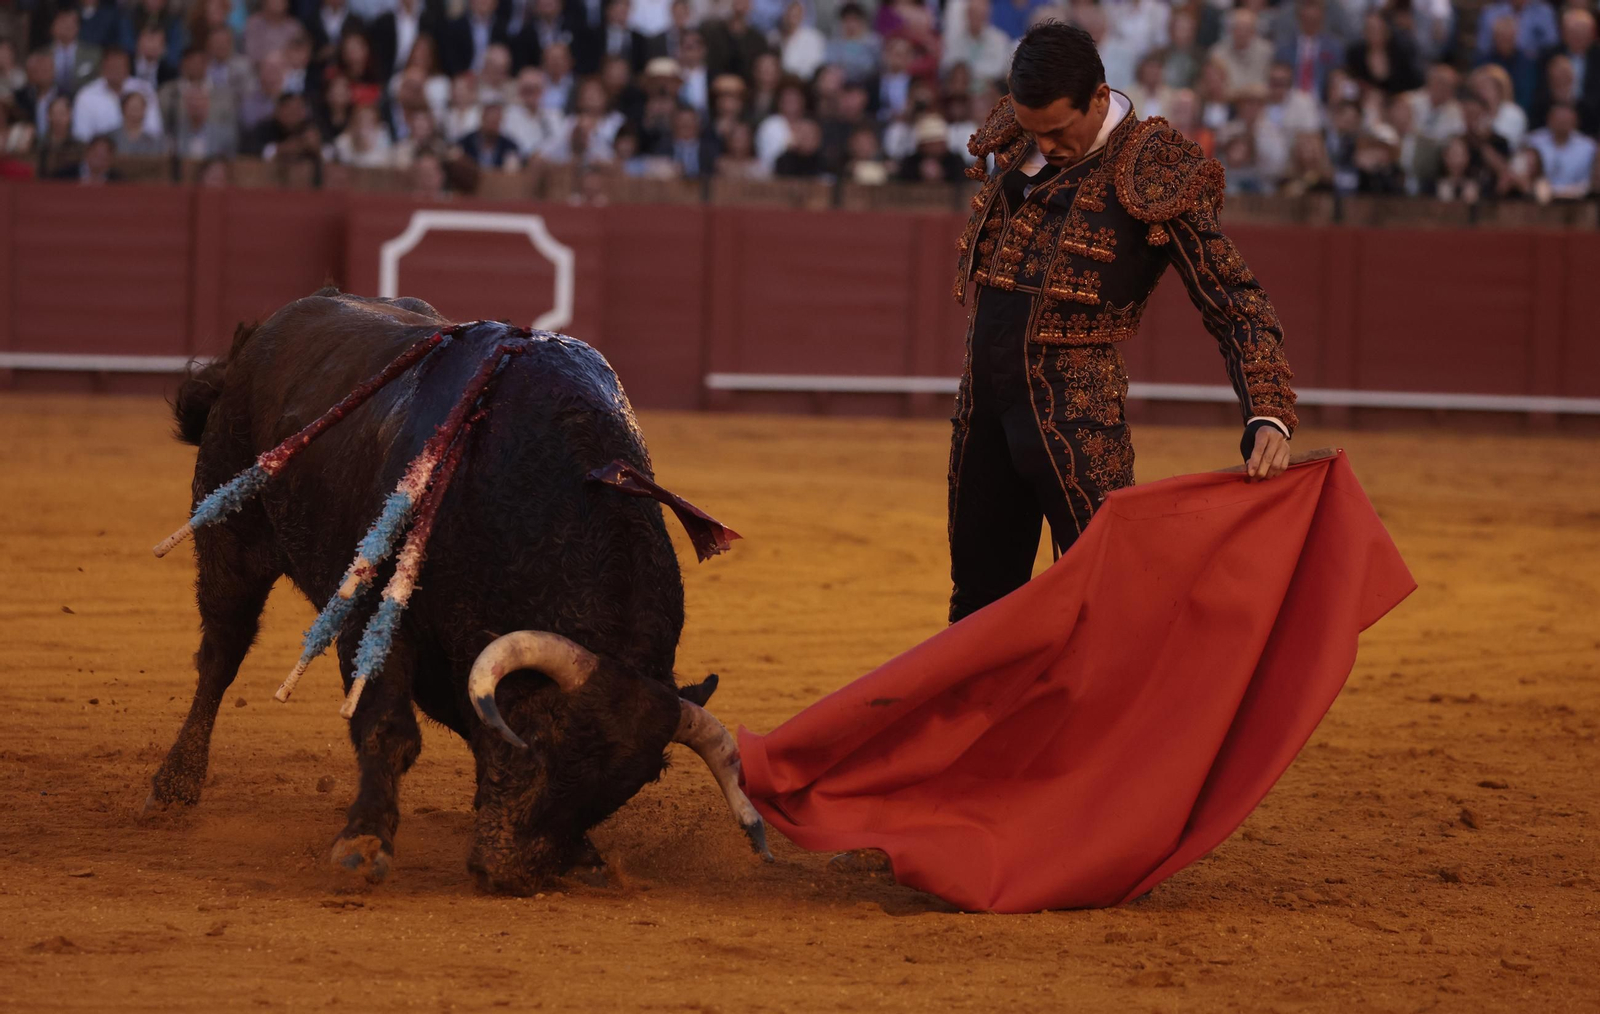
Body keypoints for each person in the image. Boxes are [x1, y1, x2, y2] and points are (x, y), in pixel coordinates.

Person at [947, 21, 1296, 623]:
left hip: (1074, 410)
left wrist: (1268, 409)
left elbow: (1234, 297)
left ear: (1101, 99)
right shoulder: (1022, 131)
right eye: (1033, 130)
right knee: (977, 603)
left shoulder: (1154, 169)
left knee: (1108, 596)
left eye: (1058, 130)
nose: (1044, 143)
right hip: (982, 403)